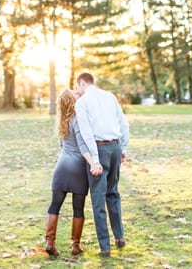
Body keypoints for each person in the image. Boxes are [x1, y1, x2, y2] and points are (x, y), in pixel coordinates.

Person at [74, 72, 130, 257]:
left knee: (98, 198)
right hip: (114, 147)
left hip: (99, 149)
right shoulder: (109, 96)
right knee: (113, 193)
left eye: (78, 87)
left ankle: (105, 247)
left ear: (82, 83)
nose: (78, 91)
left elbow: (86, 133)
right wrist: (122, 148)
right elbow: (124, 124)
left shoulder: (82, 103)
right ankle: (119, 237)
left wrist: (95, 161)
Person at [43, 89, 102, 257]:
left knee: (55, 206)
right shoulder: (78, 119)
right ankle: (75, 245)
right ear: (72, 101)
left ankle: (49, 242)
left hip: (61, 167)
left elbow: (63, 146)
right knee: (78, 208)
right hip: (77, 168)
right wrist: (93, 163)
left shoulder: (61, 120)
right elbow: (83, 146)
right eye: (75, 94)